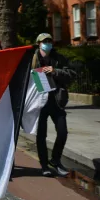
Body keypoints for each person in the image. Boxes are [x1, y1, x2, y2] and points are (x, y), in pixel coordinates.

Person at [33, 33, 75, 177]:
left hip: (56, 100)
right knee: (41, 135)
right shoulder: (32, 59)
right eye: (44, 41)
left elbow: (71, 74)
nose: (48, 43)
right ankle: (44, 165)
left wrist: (55, 71)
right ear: (39, 43)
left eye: (50, 41)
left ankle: (55, 160)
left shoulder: (59, 58)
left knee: (62, 132)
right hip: (39, 103)